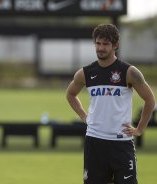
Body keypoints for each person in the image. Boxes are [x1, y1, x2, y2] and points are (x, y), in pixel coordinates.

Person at [66, 24, 155, 184]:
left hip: (121, 144)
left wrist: (140, 128)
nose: (101, 48)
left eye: (105, 44)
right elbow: (70, 94)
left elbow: (150, 100)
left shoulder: (129, 72)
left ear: (115, 45)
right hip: (95, 142)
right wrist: (83, 115)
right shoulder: (85, 73)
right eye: (98, 43)